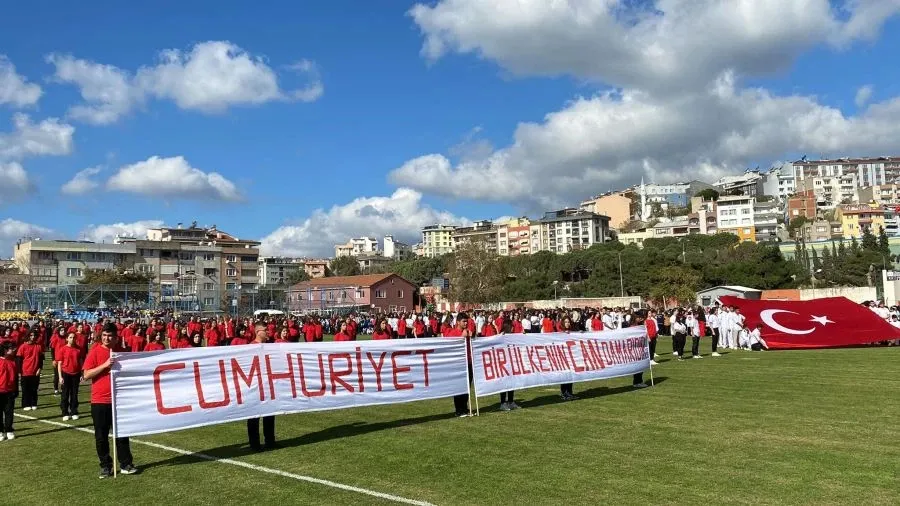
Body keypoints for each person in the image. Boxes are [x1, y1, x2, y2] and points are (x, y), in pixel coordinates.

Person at [82, 324, 136, 478]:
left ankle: (126, 463)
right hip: (100, 400)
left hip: (119, 399)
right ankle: (105, 465)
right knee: (101, 436)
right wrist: (105, 365)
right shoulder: (95, 351)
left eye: (110, 336)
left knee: (122, 434)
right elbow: (86, 375)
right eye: (104, 335)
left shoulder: (121, 352)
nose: (107, 338)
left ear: (115, 337)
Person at [247, 323, 277, 451]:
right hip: (254, 385)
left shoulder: (269, 347)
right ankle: (254, 443)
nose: (268, 332)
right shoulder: (250, 348)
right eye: (265, 330)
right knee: (253, 416)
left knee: (269, 413)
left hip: (267, 384)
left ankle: (270, 441)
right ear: (258, 332)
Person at [442, 312, 472, 417]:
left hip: (468, 362)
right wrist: (461, 336)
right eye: (464, 321)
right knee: (459, 387)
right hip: (458, 364)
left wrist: (472, 337)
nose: (466, 324)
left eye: (466, 322)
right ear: (458, 322)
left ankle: (464, 407)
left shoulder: (468, 332)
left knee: (467, 387)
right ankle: (458, 409)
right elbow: (449, 344)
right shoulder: (453, 333)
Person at [57, 332, 82, 421]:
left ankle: (74, 411)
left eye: (74, 337)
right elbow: (59, 363)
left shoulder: (78, 349)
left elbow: (80, 362)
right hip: (65, 373)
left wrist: (81, 373)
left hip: (76, 374)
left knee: (74, 394)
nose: (72, 339)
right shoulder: (63, 349)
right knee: (65, 394)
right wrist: (60, 376)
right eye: (70, 337)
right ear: (67, 339)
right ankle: (65, 412)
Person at [16, 330, 43, 411]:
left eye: (34, 335)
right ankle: (26, 404)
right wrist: (19, 371)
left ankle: (34, 403)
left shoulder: (38, 346)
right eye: (31, 335)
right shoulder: (22, 347)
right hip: (25, 372)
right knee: (25, 390)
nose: (33, 337)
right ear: (28, 336)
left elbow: (41, 360)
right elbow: (19, 360)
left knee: (34, 389)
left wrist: (39, 368)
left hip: (35, 372)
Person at [497, 320, 520, 411]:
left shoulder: (512, 336)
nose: (513, 328)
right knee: (504, 383)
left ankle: (511, 401)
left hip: (511, 362)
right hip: (503, 362)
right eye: (511, 326)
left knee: (512, 382)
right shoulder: (501, 336)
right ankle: (503, 403)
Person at [558, 317, 578, 400]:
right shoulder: (559, 334)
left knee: (571, 376)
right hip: (563, 357)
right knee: (564, 376)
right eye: (566, 322)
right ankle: (564, 393)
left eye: (568, 322)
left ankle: (569, 393)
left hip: (571, 357)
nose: (567, 323)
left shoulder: (572, 333)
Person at [0, 342, 17, 440]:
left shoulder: (12, 362)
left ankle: (9, 430)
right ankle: (0, 431)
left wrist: (16, 390)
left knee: (9, 412)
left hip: (10, 391)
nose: (13, 350)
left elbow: (14, 378)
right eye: (11, 348)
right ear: (5, 350)